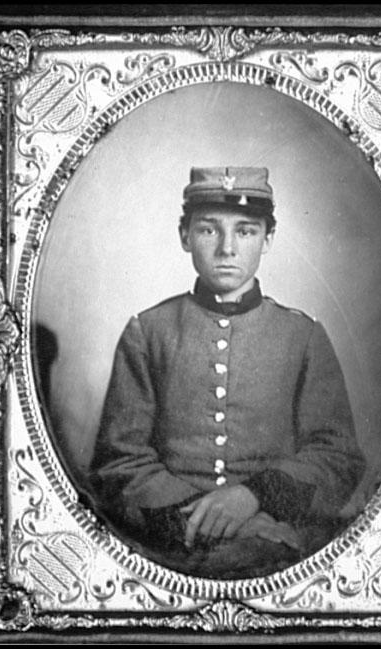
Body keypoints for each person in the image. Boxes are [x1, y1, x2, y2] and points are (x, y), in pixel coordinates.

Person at [89, 167, 365, 579]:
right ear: (184, 236)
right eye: (208, 230)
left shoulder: (303, 335)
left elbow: (336, 456)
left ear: (268, 239)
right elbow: (119, 463)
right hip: (169, 540)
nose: (227, 249)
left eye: (246, 231)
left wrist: (253, 498)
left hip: (281, 537)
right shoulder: (148, 331)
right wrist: (216, 522)